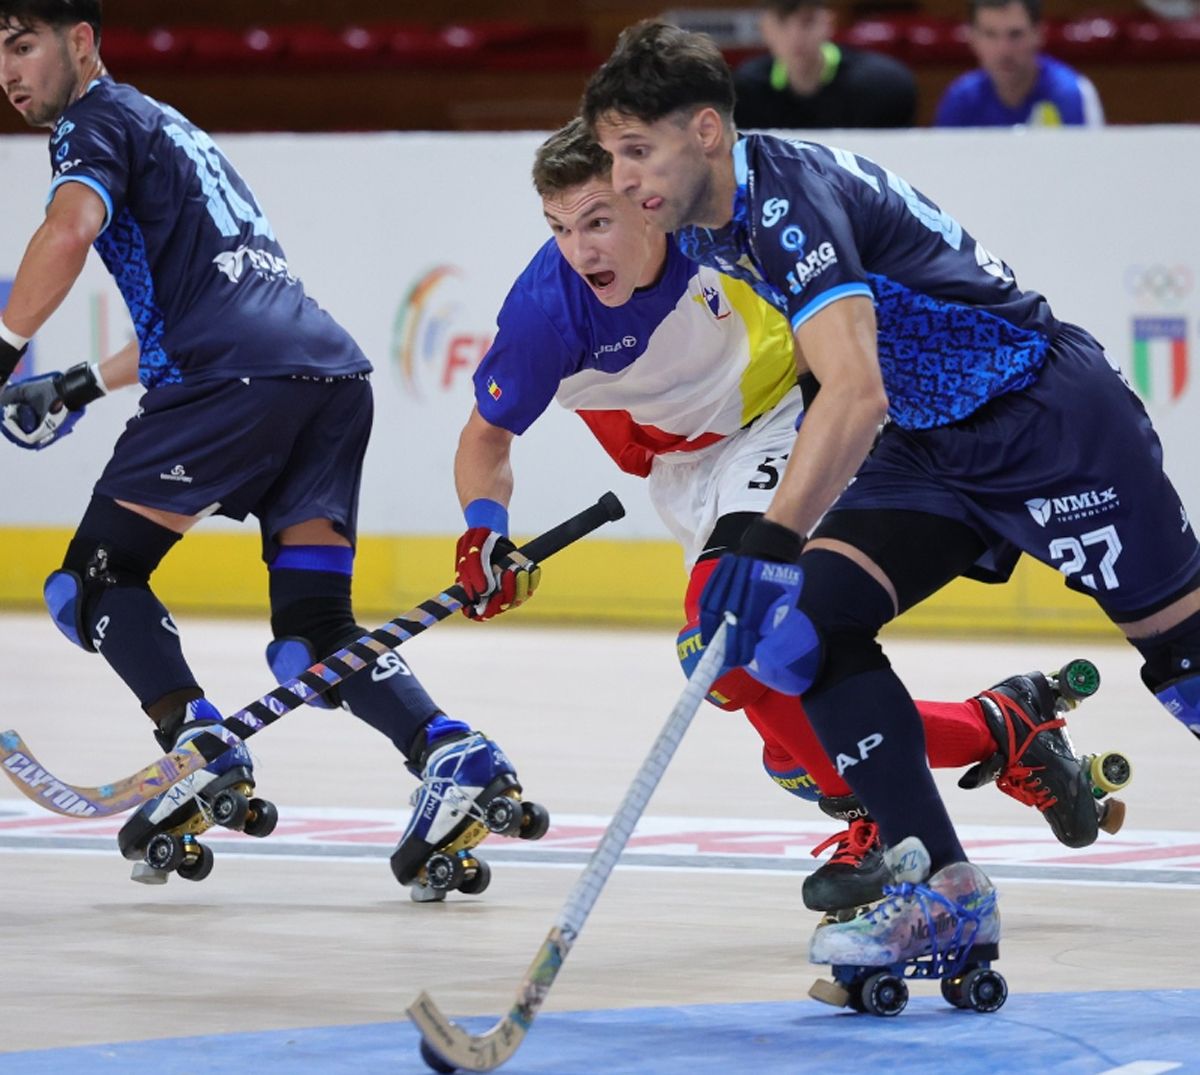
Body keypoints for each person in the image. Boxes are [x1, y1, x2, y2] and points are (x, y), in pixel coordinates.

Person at [582, 21, 1200, 971]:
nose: (621, 179)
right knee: (806, 632)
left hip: (1043, 419)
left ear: (705, 130)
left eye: (637, 151)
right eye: (611, 156)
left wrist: (769, 536)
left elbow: (855, 388)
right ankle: (947, 894)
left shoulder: (783, 201)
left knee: (1186, 661)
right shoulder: (705, 224)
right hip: (928, 447)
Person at [452, 116, 1127, 917]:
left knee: (724, 631)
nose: (580, 249)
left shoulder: (718, 235)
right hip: (683, 471)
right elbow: (486, 435)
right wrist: (484, 529)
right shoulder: (545, 310)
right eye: (559, 228)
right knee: (754, 683)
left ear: (647, 201)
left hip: (783, 421)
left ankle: (887, 823)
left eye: (597, 220)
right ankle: (997, 728)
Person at [0, 0, 544, 896]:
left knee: (90, 582)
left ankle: (194, 741)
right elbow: (211, 304)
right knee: (312, 639)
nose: (13, 72)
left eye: (25, 45)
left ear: (82, 43)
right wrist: (81, 384)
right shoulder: (167, 125)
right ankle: (454, 754)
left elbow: (68, 232)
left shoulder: (93, 122)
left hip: (235, 385)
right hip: (326, 382)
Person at [733, 0, 916, 130]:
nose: (795, 36)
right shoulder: (745, 89)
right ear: (764, 28)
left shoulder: (882, 86)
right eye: (782, 23)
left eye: (808, 21)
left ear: (828, 23)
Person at [934, 0, 1104, 128]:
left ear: (1038, 34)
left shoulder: (1074, 94)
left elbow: (1092, 169)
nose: (1004, 50)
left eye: (1015, 34)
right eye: (990, 34)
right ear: (972, 38)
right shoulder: (959, 100)